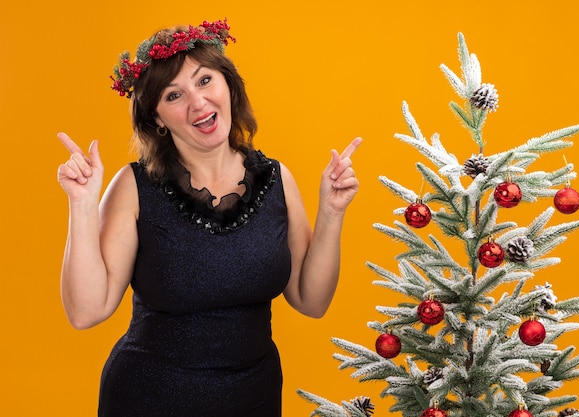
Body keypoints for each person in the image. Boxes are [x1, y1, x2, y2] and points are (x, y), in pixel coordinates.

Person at [56, 19, 361, 417]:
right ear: (157, 119)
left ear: (228, 86)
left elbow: (311, 300)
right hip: (149, 399)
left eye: (204, 81)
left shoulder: (276, 179)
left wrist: (333, 212)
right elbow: (85, 311)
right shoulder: (134, 186)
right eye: (173, 94)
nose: (198, 103)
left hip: (254, 396)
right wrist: (81, 203)